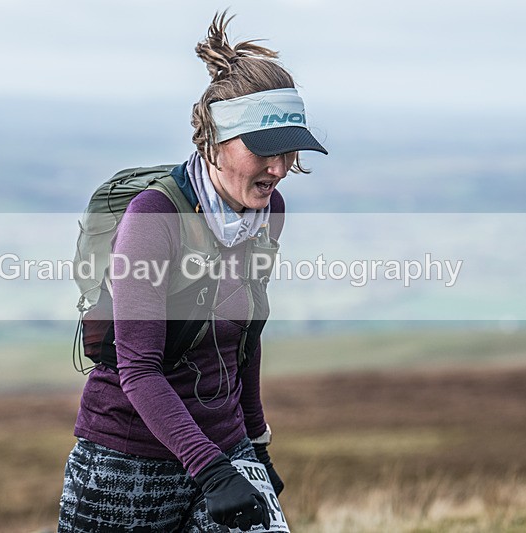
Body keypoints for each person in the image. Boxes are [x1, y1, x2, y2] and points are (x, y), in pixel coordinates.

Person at [58, 11, 327, 532]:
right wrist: (212, 472)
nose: (279, 167)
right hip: (126, 462)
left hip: (227, 451)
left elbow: (244, 339)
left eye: (288, 150)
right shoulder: (154, 217)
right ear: (215, 140)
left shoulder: (269, 212)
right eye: (265, 150)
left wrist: (256, 444)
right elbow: (138, 370)